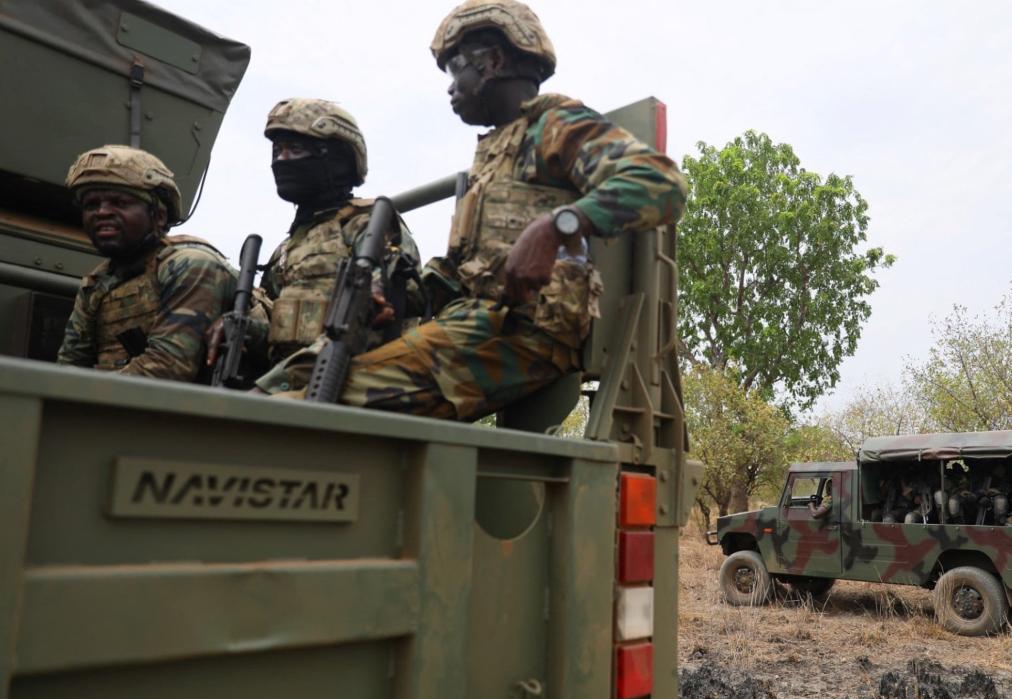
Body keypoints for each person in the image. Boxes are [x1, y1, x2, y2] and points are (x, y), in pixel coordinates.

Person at [260, 0, 686, 418]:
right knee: (302, 373)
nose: (450, 87)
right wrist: (389, 291)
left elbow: (660, 183)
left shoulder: (555, 125)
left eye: (455, 68)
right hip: (476, 323)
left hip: (525, 333)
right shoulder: (493, 158)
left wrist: (556, 227)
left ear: (493, 62)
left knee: (321, 400)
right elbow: (457, 274)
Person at [210, 98, 419, 389]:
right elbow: (285, 332)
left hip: (351, 384)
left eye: (295, 149)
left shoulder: (366, 225)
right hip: (289, 387)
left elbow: (382, 314)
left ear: (338, 159)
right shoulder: (286, 250)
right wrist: (245, 329)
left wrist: (269, 389)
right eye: (277, 151)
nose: (282, 160)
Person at [57, 145, 234, 381]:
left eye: (119, 202)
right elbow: (68, 367)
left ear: (158, 216)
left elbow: (167, 369)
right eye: (92, 205)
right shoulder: (98, 284)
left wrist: (83, 392)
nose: (102, 212)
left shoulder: (191, 265)